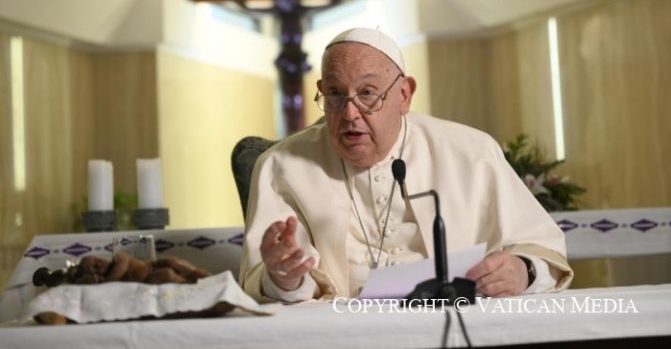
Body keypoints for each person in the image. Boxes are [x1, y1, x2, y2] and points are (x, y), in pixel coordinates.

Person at [239, 27, 573, 302]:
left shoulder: (472, 152)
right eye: (336, 94)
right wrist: (285, 278)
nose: (349, 114)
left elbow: (542, 249)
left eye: (367, 93)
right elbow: (274, 280)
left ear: (404, 94)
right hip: (342, 336)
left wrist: (523, 270)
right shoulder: (280, 167)